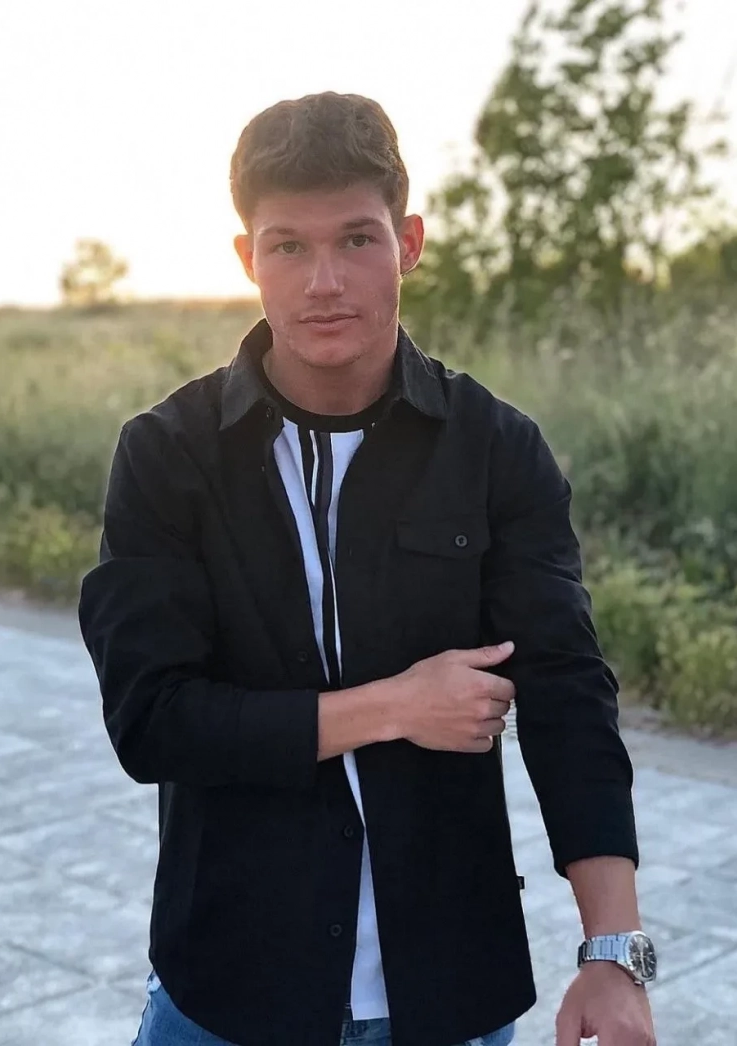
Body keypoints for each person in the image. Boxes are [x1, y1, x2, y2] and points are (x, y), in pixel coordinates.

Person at [78, 91, 658, 1046]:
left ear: (409, 242)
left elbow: (567, 694)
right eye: (288, 246)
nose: (324, 282)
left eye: (356, 239)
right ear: (247, 258)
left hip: (447, 985)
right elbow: (153, 721)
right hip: (231, 982)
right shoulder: (167, 453)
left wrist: (614, 951)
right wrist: (395, 706)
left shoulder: (495, 448)